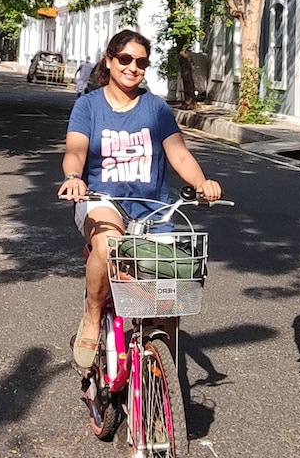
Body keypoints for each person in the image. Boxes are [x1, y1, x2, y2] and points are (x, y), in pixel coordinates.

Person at [58, 28, 221, 369]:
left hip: (153, 210)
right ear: (110, 60)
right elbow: (75, 150)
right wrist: (74, 178)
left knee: (171, 290)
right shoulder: (88, 106)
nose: (133, 67)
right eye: (125, 59)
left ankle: (162, 376)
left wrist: (202, 182)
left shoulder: (155, 108)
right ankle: (91, 316)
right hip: (101, 200)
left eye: (142, 62)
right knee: (108, 244)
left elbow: (178, 154)